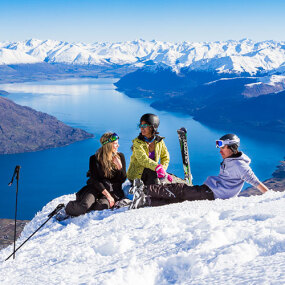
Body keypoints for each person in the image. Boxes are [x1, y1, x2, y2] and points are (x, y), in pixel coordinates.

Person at [129, 134, 270, 209]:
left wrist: (272, 197)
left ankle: (144, 190)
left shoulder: (240, 165)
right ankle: (146, 201)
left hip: (212, 194)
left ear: (232, 148)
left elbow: (255, 181)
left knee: (180, 189)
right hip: (211, 191)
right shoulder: (232, 160)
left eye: (223, 147)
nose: (220, 150)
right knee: (179, 199)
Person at [56, 132, 127, 220]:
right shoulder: (94, 159)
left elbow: (122, 179)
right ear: (108, 145)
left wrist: (120, 167)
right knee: (84, 206)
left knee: (101, 205)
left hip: (113, 190)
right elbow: (95, 180)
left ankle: (86, 203)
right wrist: (108, 196)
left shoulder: (120, 157)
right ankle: (67, 208)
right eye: (115, 143)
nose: (118, 145)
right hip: (96, 188)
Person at [127, 113, 172, 186]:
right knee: (154, 183)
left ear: (152, 127)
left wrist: (163, 170)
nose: (141, 128)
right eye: (140, 126)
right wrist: (157, 168)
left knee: (155, 182)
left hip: (151, 172)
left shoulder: (159, 141)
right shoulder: (137, 142)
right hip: (137, 176)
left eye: (144, 126)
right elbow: (143, 159)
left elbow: (165, 157)